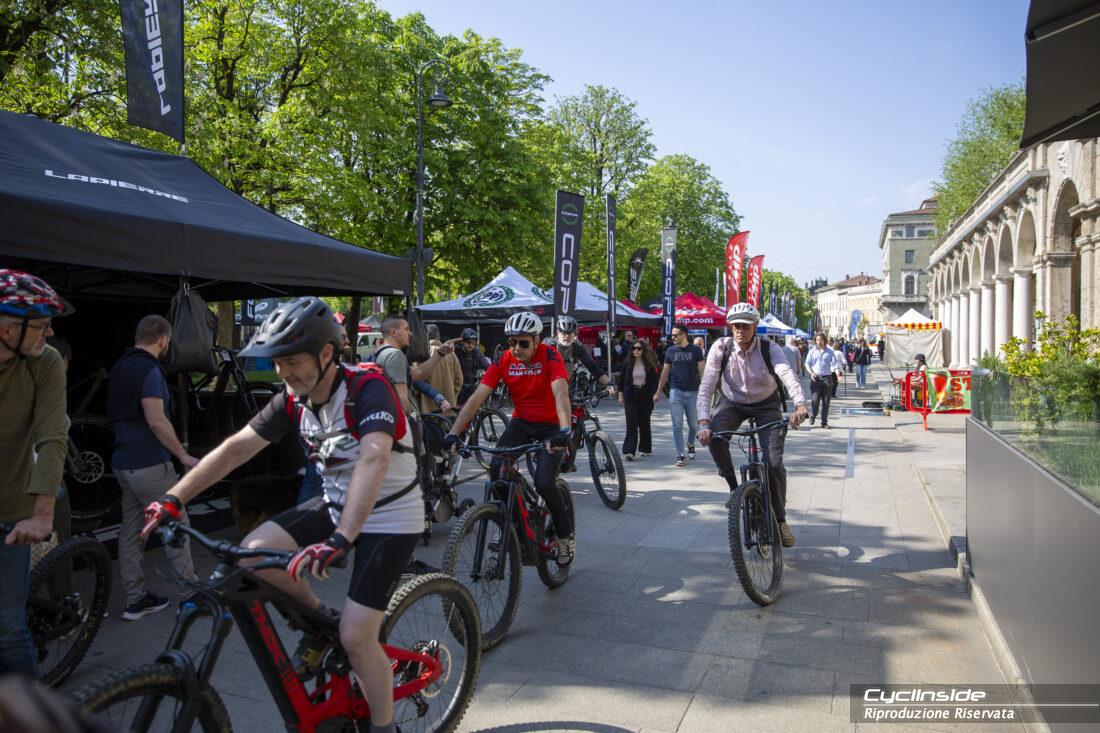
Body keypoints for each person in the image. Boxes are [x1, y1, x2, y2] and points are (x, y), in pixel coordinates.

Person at [141, 297, 421, 733]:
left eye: (291, 361)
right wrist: (175, 497)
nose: (282, 373)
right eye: (277, 363)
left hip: (391, 515)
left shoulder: (368, 388)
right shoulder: (294, 399)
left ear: (326, 353)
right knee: (252, 554)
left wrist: (343, 537)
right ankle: (318, 624)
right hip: (336, 505)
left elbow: (373, 460)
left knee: (357, 637)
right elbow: (238, 446)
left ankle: (385, 727)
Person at [443, 311, 576, 563]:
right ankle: (513, 526)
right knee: (498, 471)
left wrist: (565, 431)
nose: (516, 348)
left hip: (551, 426)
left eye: (523, 343)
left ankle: (565, 535)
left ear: (537, 340)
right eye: (511, 342)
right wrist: (453, 433)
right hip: (521, 423)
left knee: (544, 482)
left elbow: (561, 395)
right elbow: (476, 399)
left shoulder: (550, 355)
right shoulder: (504, 360)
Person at [0, 269, 72, 677]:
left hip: (11, 507)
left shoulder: (44, 363)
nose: (48, 335)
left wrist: (42, 513)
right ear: (8, 328)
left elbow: (51, 435)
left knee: (7, 629)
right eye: (42, 327)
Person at [107, 315, 201, 620]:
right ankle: (191, 596)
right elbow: (156, 420)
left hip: (123, 464)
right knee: (176, 526)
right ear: (163, 340)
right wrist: (183, 456)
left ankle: (135, 598)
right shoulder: (150, 370)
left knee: (133, 530)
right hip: (149, 464)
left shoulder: (119, 367)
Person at [696, 304, 807, 547]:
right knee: (715, 436)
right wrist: (704, 421)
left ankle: (780, 521)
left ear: (755, 326)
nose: (740, 330)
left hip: (766, 404)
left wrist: (800, 404)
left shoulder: (769, 347)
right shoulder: (721, 347)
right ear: (730, 326)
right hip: (732, 402)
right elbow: (707, 386)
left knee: (774, 463)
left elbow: (786, 373)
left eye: (746, 326)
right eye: (736, 325)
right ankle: (735, 490)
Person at [369, 314, 456, 414]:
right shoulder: (395, 355)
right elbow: (401, 397)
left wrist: (440, 353)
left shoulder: (378, 354)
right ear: (393, 332)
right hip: (401, 423)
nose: (410, 334)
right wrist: (411, 418)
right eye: (406, 329)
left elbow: (417, 374)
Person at [654, 323, 706, 466]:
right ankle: (680, 454)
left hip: (693, 391)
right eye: (672, 335)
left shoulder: (696, 351)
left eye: (675, 335)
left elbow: (703, 371)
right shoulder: (670, 351)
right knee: (677, 425)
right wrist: (658, 391)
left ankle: (690, 443)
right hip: (675, 391)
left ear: (683, 335)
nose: (673, 337)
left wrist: (705, 391)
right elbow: (665, 372)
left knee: (693, 426)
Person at [617, 339, 659, 460]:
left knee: (644, 423)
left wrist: (655, 395)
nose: (636, 350)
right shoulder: (627, 363)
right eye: (634, 348)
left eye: (639, 348)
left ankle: (645, 448)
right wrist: (620, 395)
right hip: (630, 394)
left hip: (645, 395)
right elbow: (621, 380)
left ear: (643, 350)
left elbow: (653, 382)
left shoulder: (649, 364)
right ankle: (629, 451)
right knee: (631, 423)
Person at [417, 324, 462, 415]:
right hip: (449, 405)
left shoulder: (423, 354)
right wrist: (452, 395)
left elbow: (416, 380)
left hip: (427, 407)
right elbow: (459, 380)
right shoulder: (451, 354)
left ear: (426, 336)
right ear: (439, 336)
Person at [805, 333, 842, 428]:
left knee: (826, 402)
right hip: (815, 379)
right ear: (815, 341)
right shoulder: (812, 351)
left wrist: (837, 372)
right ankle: (813, 415)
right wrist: (811, 373)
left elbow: (835, 365)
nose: (819, 341)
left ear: (824, 340)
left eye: (821, 339)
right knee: (815, 400)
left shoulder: (830, 351)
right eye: (817, 340)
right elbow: (807, 364)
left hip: (827, 379)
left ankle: (824, 422)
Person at [455, 327, 490, 405]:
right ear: (462, 342)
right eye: (468, 342)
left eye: (473, 343)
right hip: (456, 385)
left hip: (470, 384)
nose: (470, 345)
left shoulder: (476, 352)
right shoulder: (455, 352)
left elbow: (486, 365)